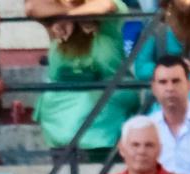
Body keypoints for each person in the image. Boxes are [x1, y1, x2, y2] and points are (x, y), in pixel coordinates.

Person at [31, 11, 137, 159]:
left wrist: (75, 17)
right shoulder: (60, 27)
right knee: (51, 96)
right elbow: (33, 7)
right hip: (63, 96)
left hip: (106, 93)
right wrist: (64, 16)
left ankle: (97, 154)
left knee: (89, 99)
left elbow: (106, 5)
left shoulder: (107, 25)